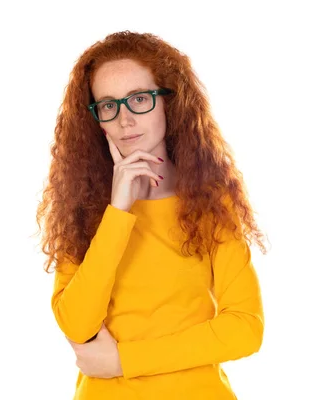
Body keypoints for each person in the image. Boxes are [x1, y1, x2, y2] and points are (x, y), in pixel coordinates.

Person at [35, 30, 268, 399]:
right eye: (109, 105)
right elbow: (77, 324)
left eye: (139, 99)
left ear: (168, 103)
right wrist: (118, 211)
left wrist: (124, 361)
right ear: (96, 118)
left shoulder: (210, 201)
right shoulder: (84, 208)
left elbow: (245, 328)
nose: (125, 119)